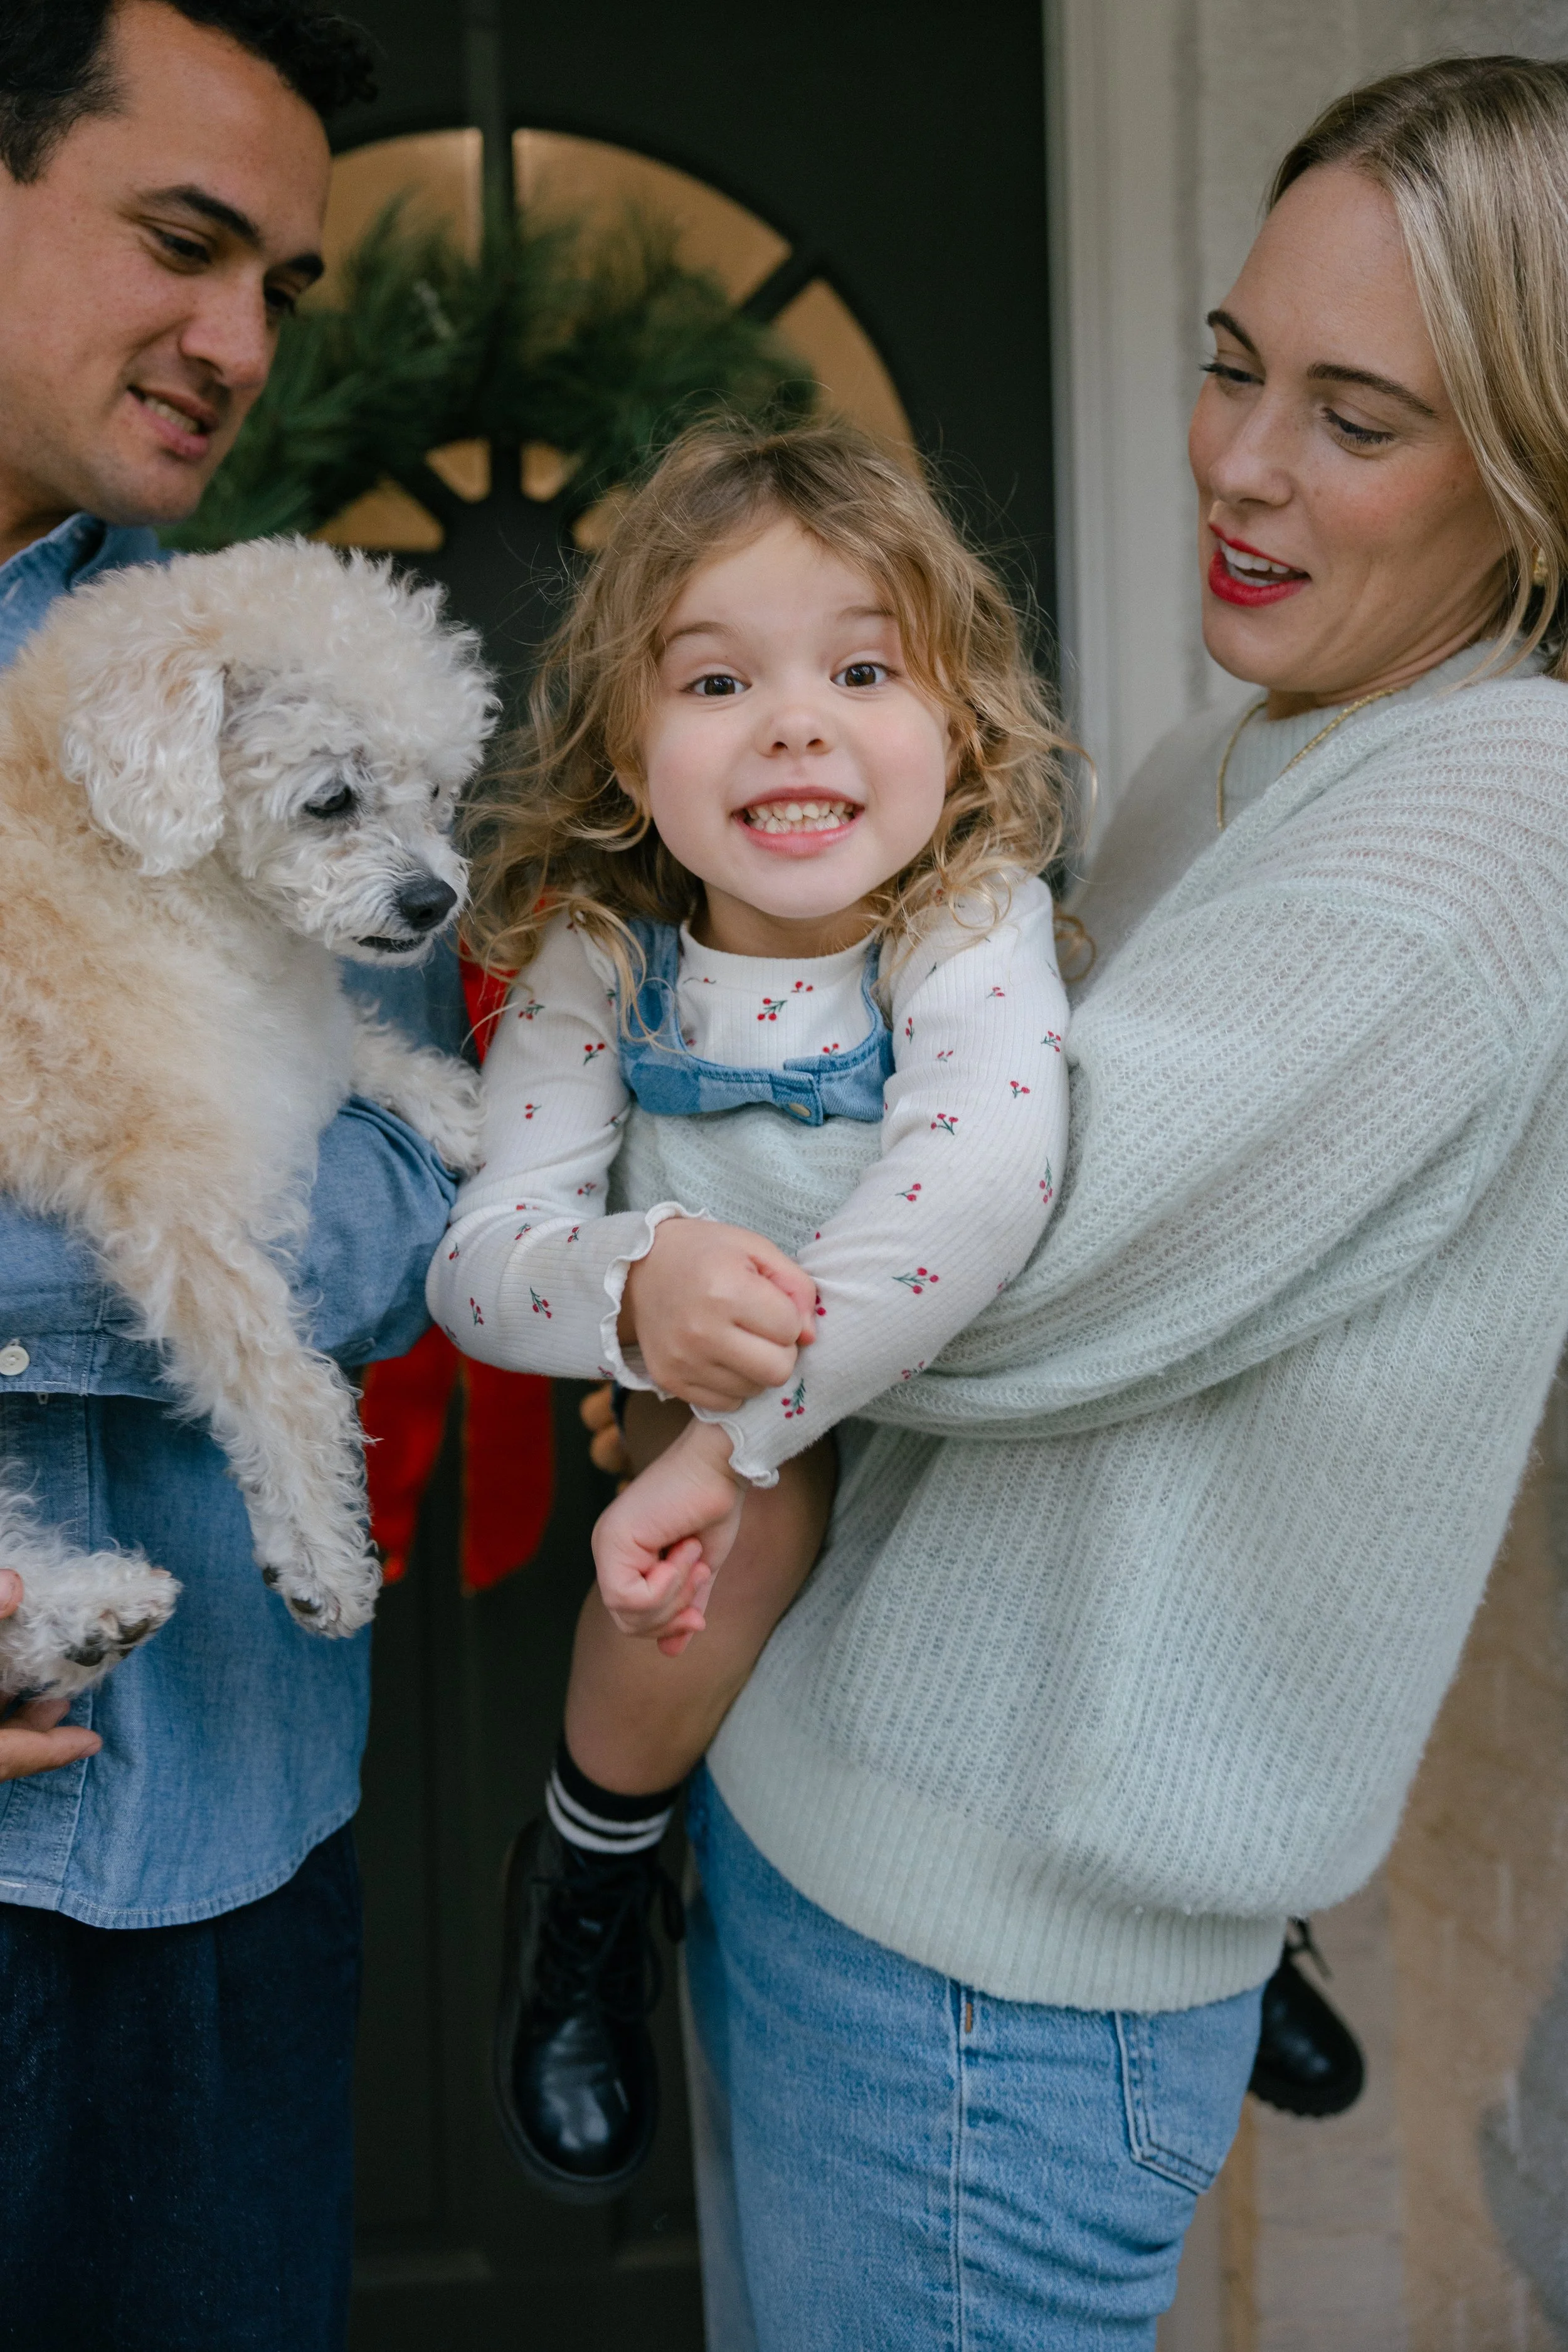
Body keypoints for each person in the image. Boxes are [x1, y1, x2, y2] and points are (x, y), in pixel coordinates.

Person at [655, 55, 1568, 2349]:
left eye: (1358, 418)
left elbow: (975, 1289)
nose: (1242, 465)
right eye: (1235, 364)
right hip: (845, 1816)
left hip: (989, 1979)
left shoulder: (1470, 839)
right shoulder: (1248, 747)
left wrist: (640, 1230)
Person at [430, 420, 1072, 2197]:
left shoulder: (966, 921)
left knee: (1106, 1472)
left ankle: (1248, 1935)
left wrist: (725, 1435)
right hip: (726, 1436)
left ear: (953, 727)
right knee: (741, 1535)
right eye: (718, 678)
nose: (795, 719)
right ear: (631, 752)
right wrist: (639, 1286)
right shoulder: (599, 957)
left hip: (957, 1430)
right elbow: (480, 1265)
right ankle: (590, 1874)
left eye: (864, 667)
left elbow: (976, 1186)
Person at [0, 7, 462, 2347]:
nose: (239, 342)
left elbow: (400, 1204)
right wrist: (148, 1229)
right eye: (184, 247)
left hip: (234, 1859)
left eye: (280, 284)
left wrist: (77, 1220)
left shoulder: (285, 658)